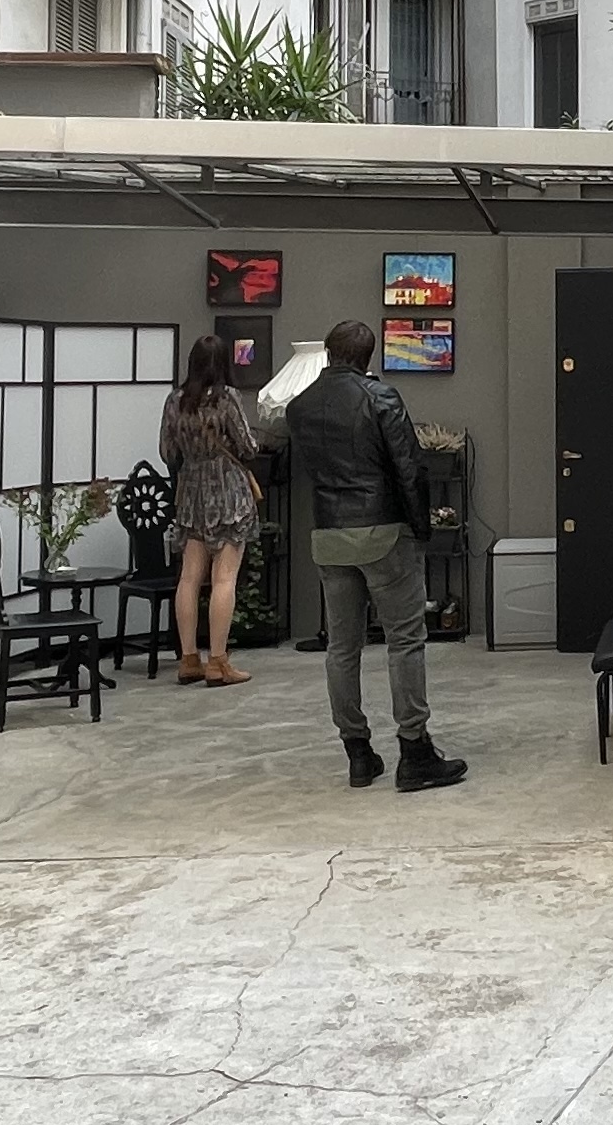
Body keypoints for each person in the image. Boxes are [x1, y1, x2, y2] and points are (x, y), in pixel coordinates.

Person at [282, 319, 467, 793]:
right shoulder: (380, 397)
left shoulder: (299, 406)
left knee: (342, 647)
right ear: (368, 357)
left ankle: (358, 753)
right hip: (383, 533)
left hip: (329, 535)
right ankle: (415, 751)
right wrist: (422, 528)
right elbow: (409, 469)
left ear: (327, 352)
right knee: (405, 640)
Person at [158, 335, 265, 687]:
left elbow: (166, 452)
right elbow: (247, 445)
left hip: (191, 493)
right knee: (224, 578)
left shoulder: (175, 400)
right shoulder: (226, 397)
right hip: (228, 492)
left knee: (189, 578)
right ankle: (218, 662)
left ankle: (189, 659)